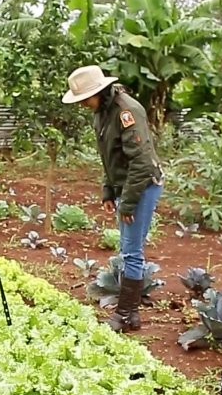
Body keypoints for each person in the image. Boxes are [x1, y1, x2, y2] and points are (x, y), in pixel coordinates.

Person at [61, 65, 164, 333]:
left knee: (131, 251)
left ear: (101, 91)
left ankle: (125, 314)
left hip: (141, 185)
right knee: (132, 250)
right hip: (125, 184)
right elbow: (110, 156)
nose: (83, 104)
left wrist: (128, 202)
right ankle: (132, 315)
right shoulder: (102, 112)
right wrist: (108, 189)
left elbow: (140, 162)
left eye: (86, 98)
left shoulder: (127, 111)